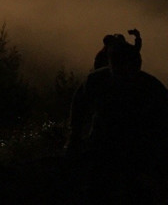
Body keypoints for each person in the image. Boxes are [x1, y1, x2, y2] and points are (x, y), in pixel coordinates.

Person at [67, 35, 168, 204]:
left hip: (136, 150)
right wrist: (74, 137)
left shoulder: (150, 87)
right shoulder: (97, 81)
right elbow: (79, 106)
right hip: (105, 145)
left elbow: (163, 121)